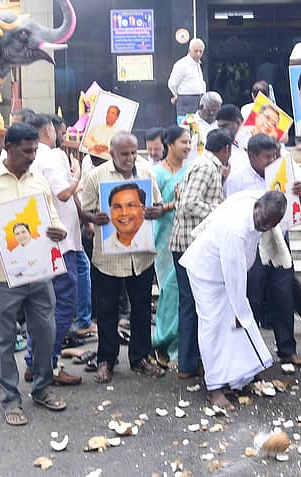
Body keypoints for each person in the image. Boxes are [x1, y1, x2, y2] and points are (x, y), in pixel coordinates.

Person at [0, 123, 68, 426]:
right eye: (27, 151)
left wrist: (59, 231)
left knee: (45, 332)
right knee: (3, 339)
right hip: (3, 276)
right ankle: (11, 399)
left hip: (39, 273)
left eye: (35, 150)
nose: (32, 156)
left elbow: (52, 219)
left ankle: (42, 388)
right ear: (8, 149)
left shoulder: (39, 181)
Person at [179, 191, 287, 410]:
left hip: (225, 272)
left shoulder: (254, 204)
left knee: (234, 323)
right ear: (257, 207)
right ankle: (215, 387)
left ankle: (242, 373)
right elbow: (234, 276)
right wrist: (241, 313)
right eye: (264, 220)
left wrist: (240, 313)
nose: (266, 226)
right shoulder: (236, 230)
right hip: (206, 273)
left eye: (271, 224)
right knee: (213, 326)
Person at [80, 132, 167, 384]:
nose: (130, 158)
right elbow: (84, 210)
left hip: (141, 256)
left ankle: (140, 358)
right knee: (107, 310)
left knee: (141, 309)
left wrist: (155, 212)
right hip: (108, 259)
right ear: (111, 154)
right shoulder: (97, 176)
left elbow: (158, 205)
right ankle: (106, 360)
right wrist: (93, 218)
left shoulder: (147, 172)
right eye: (124, 154)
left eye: (133, 153)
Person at [225, 133, 301, 364]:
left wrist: (299, 192)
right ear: (251, 155)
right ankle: (250, 353)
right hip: (252, 242)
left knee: (283, 293)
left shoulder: (285, 172)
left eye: (274, 156)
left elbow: (299, 203)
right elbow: (231, 210)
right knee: (252, 295)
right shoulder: (237, 179)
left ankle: (287, 349)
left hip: (279, 239)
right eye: (267, 157)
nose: (271, 161)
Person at [24, 114, 83, 386]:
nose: (62, 134)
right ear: (48, 130)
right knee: (63, 304)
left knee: (43, 306)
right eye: (58, 130)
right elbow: (63, 193)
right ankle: (48, 363)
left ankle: (34, 361)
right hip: (61, 243)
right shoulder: (49, 156)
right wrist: (77, 175)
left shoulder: (33, 157)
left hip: (44, 240)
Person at [171, 128, 235, 378]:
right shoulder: (206, 167)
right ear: (226, 149)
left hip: (193, 244)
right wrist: (221, 211)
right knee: (191, 303)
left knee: (196, 303)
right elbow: (189, 204)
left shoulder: (207, 165)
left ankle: (193, 360)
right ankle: (187, 364)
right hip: (189, 245)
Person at [151, 127, 192, 369]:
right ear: (169, 144)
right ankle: (163, 341)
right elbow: (152, 208)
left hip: (186, 237)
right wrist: (173, 204)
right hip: (163, 238)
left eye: (189, 142)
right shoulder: (156, 172)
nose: (188, 146)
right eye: (183, 142)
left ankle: (177, 346)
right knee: (168, 290)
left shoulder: (191, 170)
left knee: (181, 292)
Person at [102, 183, 155, 253]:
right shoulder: (105, 246)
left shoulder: (154, 237)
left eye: (131, 205)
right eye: (117, 207)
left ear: (143, 209)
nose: (124, 213)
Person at [168, 38, 207, 117]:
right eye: (196, 51)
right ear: (189, 50)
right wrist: (177, 95)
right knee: (187, 123)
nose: (198, 54)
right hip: (186, 100)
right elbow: (172, 83)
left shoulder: (198, 64)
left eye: (201, 51)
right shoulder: (182, 64)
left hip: (199, 99)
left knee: (197, 123)